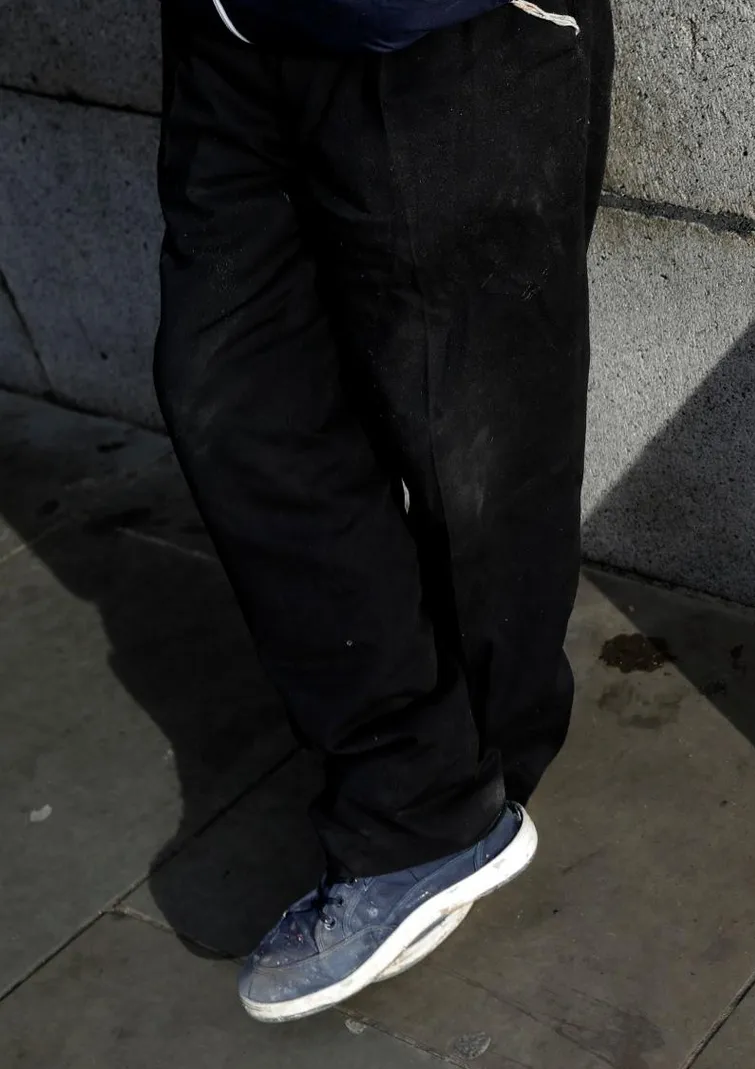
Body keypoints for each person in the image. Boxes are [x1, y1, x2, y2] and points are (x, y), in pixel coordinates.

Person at [153, 0, 613, 1021]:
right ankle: (425, 790)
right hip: (227, 29)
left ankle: (452, 797)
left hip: (443, 36)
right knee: (229, 394)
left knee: (476, 445)